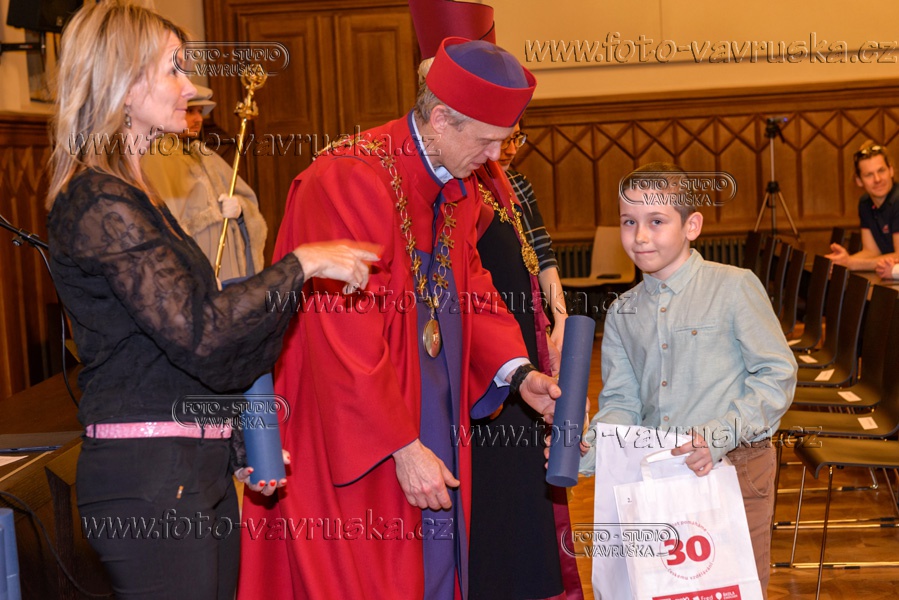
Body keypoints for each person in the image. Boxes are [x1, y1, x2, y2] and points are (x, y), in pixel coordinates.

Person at [45, 2, 376, 598]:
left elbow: (185, 342)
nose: (191, 88)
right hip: (148, 480)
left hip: (191, 470)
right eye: (174, 69)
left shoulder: (136, 196)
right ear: (124, 85)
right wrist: (302, 263)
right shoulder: (99, 201)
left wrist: (230, 435)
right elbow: (202, 330)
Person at [238, 37, 562, 600]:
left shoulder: (457, 183)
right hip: (356, 425)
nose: (496, 158)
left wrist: (518, 373)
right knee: (372, 574)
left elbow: (471, 287)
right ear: (441, 120)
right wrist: (401, 445)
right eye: (486, 140)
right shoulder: (347, 177)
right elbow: (340, 332)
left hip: (430, 407)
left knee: (436, 563)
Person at [577, 163, 797, 598]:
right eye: (629, 222)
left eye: (656, 221)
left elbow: (777, 375)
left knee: (732, 587)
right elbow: (621, 402)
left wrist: (719, 434)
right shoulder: (621, 311)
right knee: (665, 589)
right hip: (658, 471)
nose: (640, 236)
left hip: (736, 466)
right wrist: (586, 449)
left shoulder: (734, 287)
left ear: (691, 225)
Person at [142, 85, 267, 282]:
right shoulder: (156, 157)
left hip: (229, 263)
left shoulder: (205, 155)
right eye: (190, 111)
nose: (199, 119)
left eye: (200, 112)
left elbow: (246, 200)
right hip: (197, 266)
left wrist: (240, 209)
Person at [497, 120, 568, 348]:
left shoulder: (519, 184)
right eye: (503, 141)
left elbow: (541, 252)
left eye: (516, 139)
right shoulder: (464, 188)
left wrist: (561, 317)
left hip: (527, 306)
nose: (512, 150)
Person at [826, 141, 899, 270]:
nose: (877, 179)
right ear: (859, 181)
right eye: (869, 175)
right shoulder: (865, 203)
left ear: (891, 171)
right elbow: (871, 251)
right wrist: (841, 262)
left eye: (881, 171)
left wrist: (851, 263)